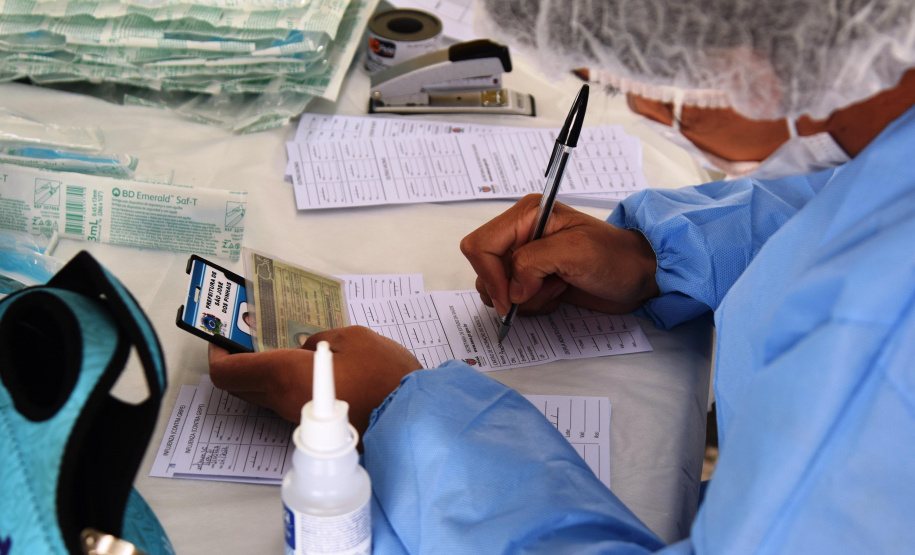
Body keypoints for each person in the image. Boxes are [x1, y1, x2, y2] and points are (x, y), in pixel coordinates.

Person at [209, 1, 915, 551]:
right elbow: (849, 201)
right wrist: (656, 256)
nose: (639, 102)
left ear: (781, 36)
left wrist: (398, 419)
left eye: (639, 75)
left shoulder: (880, 339)